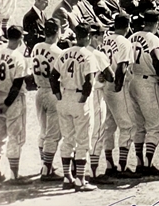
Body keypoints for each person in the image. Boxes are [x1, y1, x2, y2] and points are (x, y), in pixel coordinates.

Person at [50, 23, 98, 191]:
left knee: (68, 140)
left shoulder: (64, 53)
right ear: (88, 36)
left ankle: (66, 177)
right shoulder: (88, 54)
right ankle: (80, 180)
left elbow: (53, 77)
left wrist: (58, 95)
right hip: (79, 99)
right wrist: (83, 99)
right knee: (83, 140)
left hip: (64, 97)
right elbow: (89, 82)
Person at [128, 10, 159, 173]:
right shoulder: (153, 38)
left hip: (132, 81)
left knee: (139, 126)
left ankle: (139, 162)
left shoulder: (133, 36)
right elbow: (157, 58)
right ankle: (147, 163)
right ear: (157, 23)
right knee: (154, 125)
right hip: (148, 83)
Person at [100, 13, 135, 174]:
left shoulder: (105, 39)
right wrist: (119, 86)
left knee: (109, 126)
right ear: (127, 26)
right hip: (116, 86)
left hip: (104, 85)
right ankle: (122, 165)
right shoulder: (124, 42)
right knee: (127, 125)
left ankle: (109, 164)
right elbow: (122, 67)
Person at [0, 25, 31, 182]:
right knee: (15, 137)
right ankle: (15, 175)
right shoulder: (19, 58)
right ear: (20, 39)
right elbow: (17, 85)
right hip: (13, 101)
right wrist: (7, 103)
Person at [30, 19, 63, 180]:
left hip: (39, 92)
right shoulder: (58, 52)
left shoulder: (36, 47)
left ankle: (45, 164)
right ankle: (47, 170)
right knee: (53, 133)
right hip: (52, 94)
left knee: (43, 131)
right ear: (57, 31)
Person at [85, 24, 114, 181]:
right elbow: (111, 77)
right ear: (94, 37)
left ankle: (78, 170)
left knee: (81, 133)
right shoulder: (97, 54)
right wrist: (102, 75)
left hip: (78, 96)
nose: (104, 38)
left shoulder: (77, 51)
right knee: (97, 132)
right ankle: (94, 173)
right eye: (102, 35)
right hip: (95, 94)